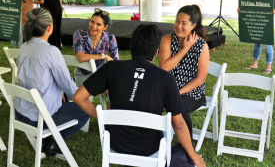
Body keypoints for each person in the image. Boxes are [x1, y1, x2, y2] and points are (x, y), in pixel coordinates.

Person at [72, 24, 206, 167]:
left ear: (131, 46)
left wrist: (102, 118)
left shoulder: (111, 68)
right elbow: (179, 125)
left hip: (116, 143)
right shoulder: (165, 78)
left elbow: (78, 97)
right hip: (150, 148)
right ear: (156, 53)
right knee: (177, 144)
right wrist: (194, 156)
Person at [14, 8, 90, 156]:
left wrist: (57, 92)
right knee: (84, 109)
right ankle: (53, 142)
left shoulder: (23, 47)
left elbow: (33, 77)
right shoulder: (51, 52)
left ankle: (48, 139)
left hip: (21, 112)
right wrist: (83, 100)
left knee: (64, 99)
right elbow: (68, 85)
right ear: (49, 28)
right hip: (40, 117)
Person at [159, 5, 209, 140]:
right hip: (167, 89)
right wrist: (184, 49)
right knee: (148, 101)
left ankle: (187, 149)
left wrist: (178, 93)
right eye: (177, 21)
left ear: (193, 26)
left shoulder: (201, 46)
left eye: (184, 23)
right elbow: (164, 68)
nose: (178, 26)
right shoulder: (168, 40)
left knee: (179, 106)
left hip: (192, 92)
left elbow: (200, 78)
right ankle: (150, 139)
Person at [73, 8, 119, 108]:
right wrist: (103, 56)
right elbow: (80, 57)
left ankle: (109, 119)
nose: (93, 26)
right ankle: (84, 120)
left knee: (115, 87)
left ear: (105, 27)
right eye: (92, 22)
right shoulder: (79, 34)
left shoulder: (110, 38)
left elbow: (115, 62)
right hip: (83, 74)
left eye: (98, 24)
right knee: (82, 97)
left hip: (101, 75)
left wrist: (108, 82)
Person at [242, 0, 275, 74]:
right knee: (256, 43)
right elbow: (249, 5)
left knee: (268, 44)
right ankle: (254, 64)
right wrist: (241, 10)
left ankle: (269, 67)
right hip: (257, 20)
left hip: (267, 21)